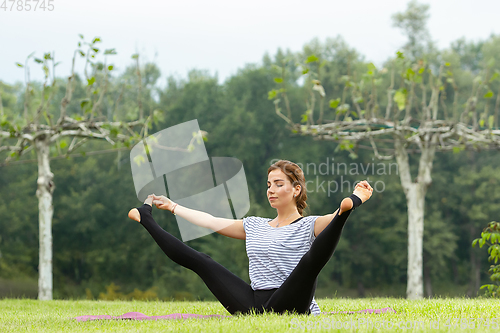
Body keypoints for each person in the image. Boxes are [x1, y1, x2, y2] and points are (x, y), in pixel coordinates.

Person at [128, 159, 373, 315]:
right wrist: (172, 207)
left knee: (309, 263)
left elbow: (332, 219)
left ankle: (350, 206)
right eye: (268, 185)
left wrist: (351, 202)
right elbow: (211, 222)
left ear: (296, 189)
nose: (271, 190)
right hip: (254, 302)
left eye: (278, 184)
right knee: (203, 261)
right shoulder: (254, 225)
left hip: (293, 300)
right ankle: (146, 218)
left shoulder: (310, 224)